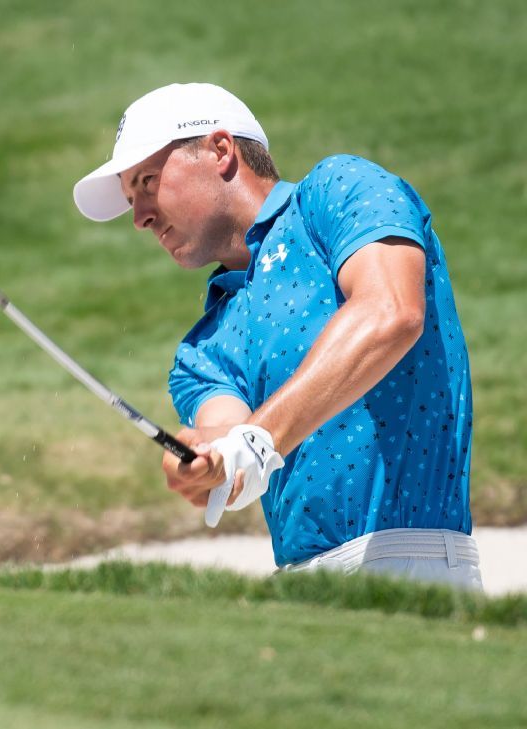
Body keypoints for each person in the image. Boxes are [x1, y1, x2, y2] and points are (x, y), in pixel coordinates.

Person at [71, 83, 481, 590]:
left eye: (149, 182)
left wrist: (257, 438)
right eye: (133, 198)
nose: (140, 217)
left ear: (221, 151)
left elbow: (391, 310)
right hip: (302, 588)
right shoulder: (200, 352)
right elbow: (232, 443)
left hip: (417, 565)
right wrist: (207, 461)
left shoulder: (339, 191)